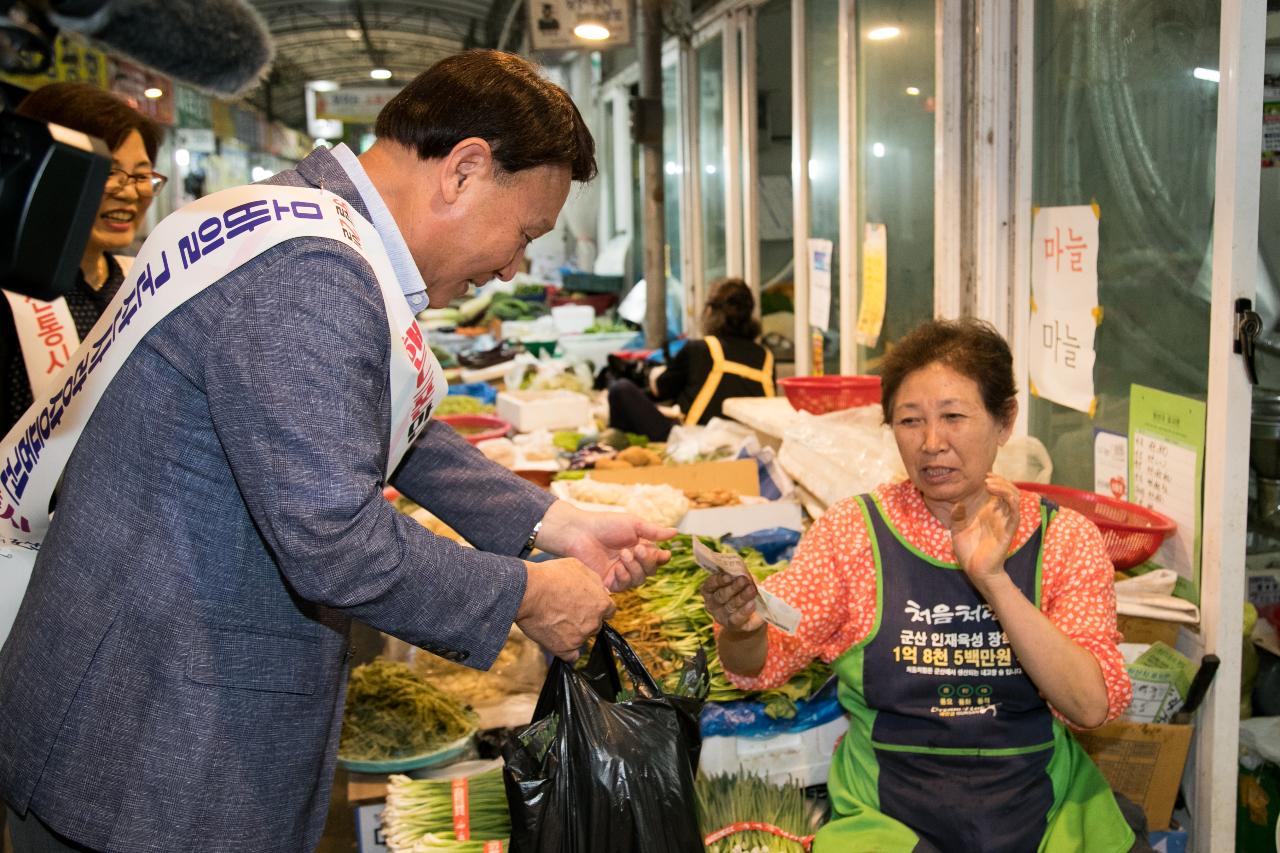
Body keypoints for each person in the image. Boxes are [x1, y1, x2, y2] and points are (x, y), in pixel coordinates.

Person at [0, 50, 674, 852]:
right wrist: (528, 594)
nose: (511, 266)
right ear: (463, 170)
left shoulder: (301, 219)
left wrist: (553, 520)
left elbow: (368, 421)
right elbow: (333, 539)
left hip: (138, 707)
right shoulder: (313, 269)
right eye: (523, 232)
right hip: (152, 749)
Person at [702, 318, 1140, 852]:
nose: (933, 443)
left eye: (954, 416)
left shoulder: (1064, 540)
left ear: (1005, 421)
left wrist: (994, 580)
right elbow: (760, 662)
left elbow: (1092, 706)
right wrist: (743, 627)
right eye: (910, 421)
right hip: (889, 822)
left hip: (1045, 818)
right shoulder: (854, 534)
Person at [1, 82, 165, 434]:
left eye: (141, 175)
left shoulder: (140, 283)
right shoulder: (11, 292)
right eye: (109, 172)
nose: (131, 192)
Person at [607, 277, 774, 441]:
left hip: (696, 443)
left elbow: (661, 389)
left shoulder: (699, 348)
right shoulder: (766, 357)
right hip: (751, 443)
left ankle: (616, 450)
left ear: (709, 311)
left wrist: (654, 375)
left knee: (620, 390)